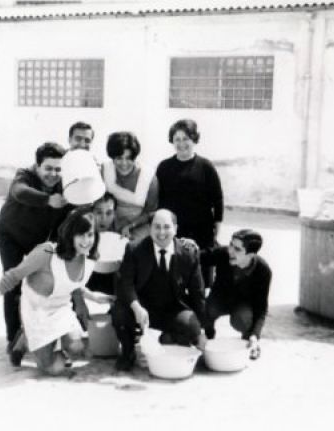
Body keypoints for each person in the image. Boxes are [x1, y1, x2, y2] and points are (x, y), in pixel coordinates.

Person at [0, 207, 114, 374]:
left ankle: (35, 340)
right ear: (70, 234)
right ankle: (25, 339)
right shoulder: (47, 251)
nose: (86, 241)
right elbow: (13, 276)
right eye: (80, 234)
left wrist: (94, 297)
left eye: (90, 234)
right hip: (36, 309)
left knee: (76, 346)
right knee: (55, 368)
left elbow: (72, 284)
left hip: (60, 307)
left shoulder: (90, 257)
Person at [0, 142, 72, 365]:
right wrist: (48, 200)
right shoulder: (24, 175)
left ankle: (49, 337)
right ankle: (13, 339)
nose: (53, 174)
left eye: (58, 169)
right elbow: (19, 192)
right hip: (10, 235)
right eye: (48, 168)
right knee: (14, 283)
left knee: (51, 284)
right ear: (37, 166)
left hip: (37, 240)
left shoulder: (64, 185)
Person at [111, 209, 206, 371]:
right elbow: (125, 283)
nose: (161, 232)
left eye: (167, 227)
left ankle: (166, 340)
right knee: (119, 311)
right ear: (150, 228)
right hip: (142, 309)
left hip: (174, 309)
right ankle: (128, 352)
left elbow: (198, 293)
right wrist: (136, 307)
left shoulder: (188, 254)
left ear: (175, 228)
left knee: (190, 326)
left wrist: (202, 330)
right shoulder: (134, 249)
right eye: (157, 227)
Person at [155, 119, 224, 288]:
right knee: (175, 275)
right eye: (177, 139)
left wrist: (217, 224)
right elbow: (159, 200)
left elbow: (218, 198)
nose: (181, 143)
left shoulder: (206, 166)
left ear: (194, 139)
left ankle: (200, 310)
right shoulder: (164, 167)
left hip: (202, 230)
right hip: (175, 229)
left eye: (186, 138)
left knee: (202, 279)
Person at [201, 229, 271, 360]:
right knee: (207, 309)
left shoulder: (263, 270)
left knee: (243, 319)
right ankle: (208, 334)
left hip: (242, 305)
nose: (230, 251)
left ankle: (247, 341)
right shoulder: (224, 254)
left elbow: (261, 309)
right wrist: (186, 247)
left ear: (251, 255)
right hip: (219, 299)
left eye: (237, 249)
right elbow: (199, 257)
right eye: (231, 245)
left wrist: (255, 336)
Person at [102, 132, 158, 242]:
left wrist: (131, 226)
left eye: (129, 158)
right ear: (112, 156)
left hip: (138, 225)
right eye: (119, 158)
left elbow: (150, 212)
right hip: (110, 223)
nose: (124, 163)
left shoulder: (149, 178)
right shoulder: (104, 170)